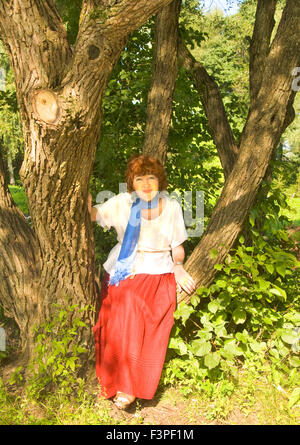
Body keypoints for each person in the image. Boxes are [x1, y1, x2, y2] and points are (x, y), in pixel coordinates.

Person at [88, 154, 196, 410]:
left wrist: (178, 267)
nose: (146, 184)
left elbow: (177, 246)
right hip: (124, 267)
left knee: (136, 309)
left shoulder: (171, 207)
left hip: (156, 270)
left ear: (160, 181)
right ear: (132, 183)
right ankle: (117, 381)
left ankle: (130, 385)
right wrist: (83, 195)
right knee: (124, 306)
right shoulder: (122, 203)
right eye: (140, 178)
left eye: (151, 178)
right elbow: (92, 215)